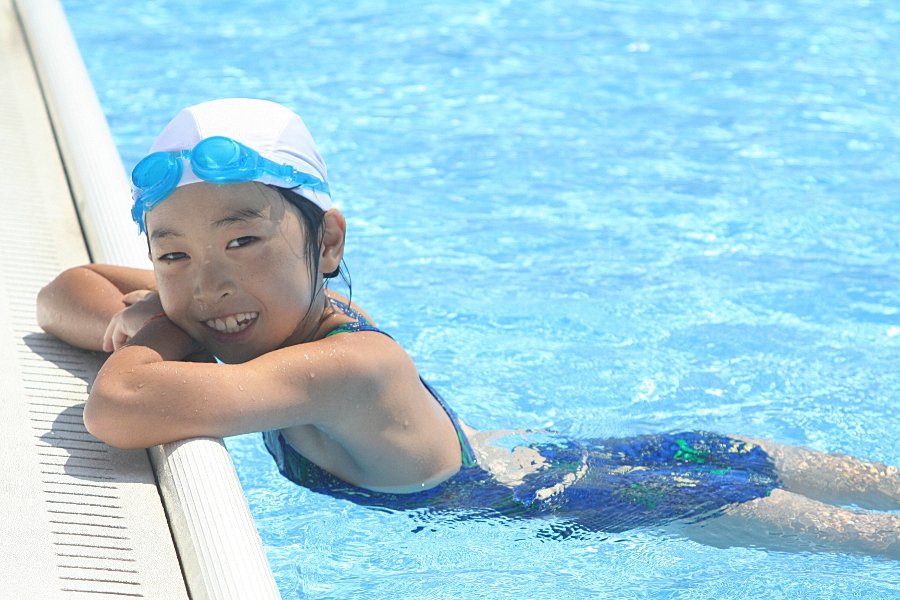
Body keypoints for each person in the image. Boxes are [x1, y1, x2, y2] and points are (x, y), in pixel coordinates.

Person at [37, 98, 898, 559]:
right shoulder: (258, 312)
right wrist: (151, 308)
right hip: (564, 457)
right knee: (740, 452)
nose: (210, 280)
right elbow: (62, 291)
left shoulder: (350, 367)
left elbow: (123, 406)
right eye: (173, 254)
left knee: (873, 545)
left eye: (242, 240)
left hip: (613, 500)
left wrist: (148, 325)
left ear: (326, 240)